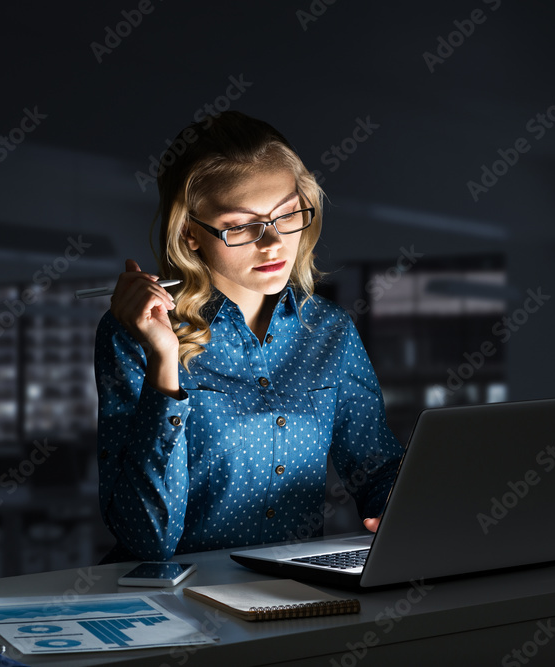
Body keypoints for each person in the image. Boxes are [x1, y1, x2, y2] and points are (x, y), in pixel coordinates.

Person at [94, 110, 403, 563]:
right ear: (190, 233)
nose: (273, 242)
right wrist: (164, 359)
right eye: (241, 225)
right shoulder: (132, 333)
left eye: (287, 215)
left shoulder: (329, 330)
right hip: (173, 606)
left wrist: (409, 510)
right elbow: (148, 540)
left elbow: (376, 471)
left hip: (294, 595)